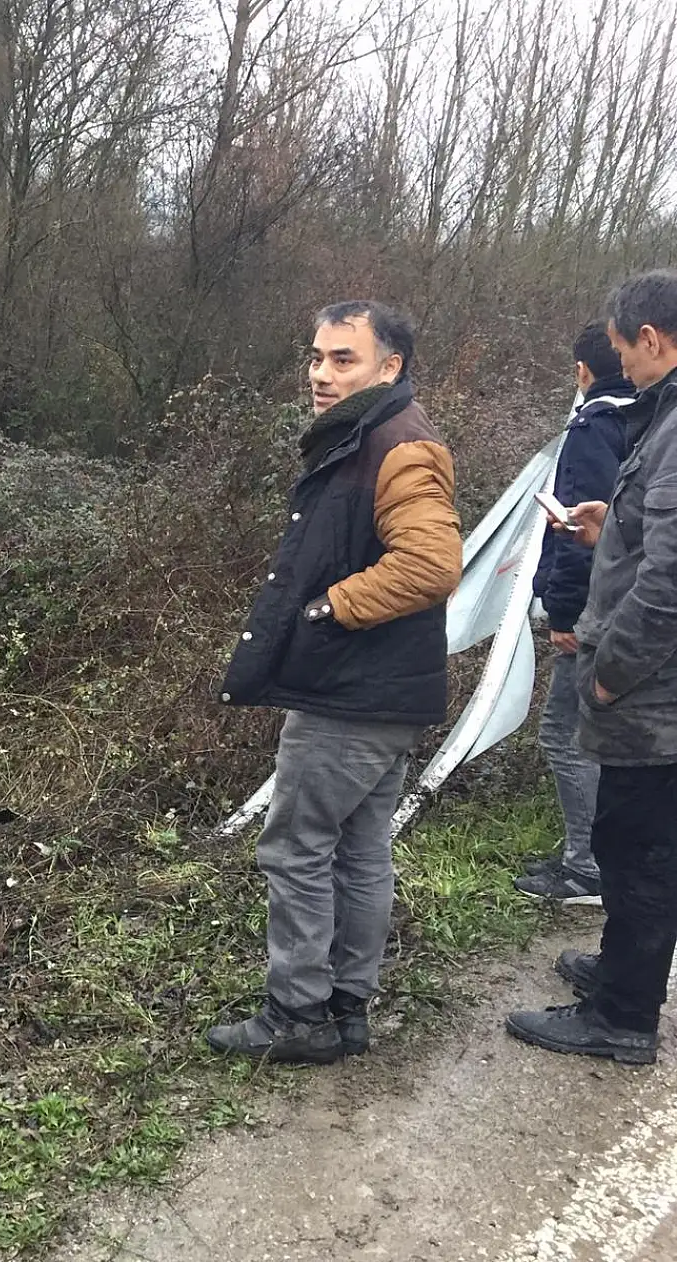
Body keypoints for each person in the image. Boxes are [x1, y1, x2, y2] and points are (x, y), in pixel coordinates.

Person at [209, 301, 462, 1065]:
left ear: (390, 368)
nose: (321, 374)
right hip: (380, 693)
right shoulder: (366, 436)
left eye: (342, 359)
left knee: (294, 849)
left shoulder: (399, 446)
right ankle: (345, 1010)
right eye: (316, 357)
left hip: (354, 696)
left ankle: (297, 1012)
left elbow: (432, 564)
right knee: (357, 850)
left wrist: (330, 609)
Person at [507, 270, 677, 1065]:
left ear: (651, 338)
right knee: (626, 839)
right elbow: (653, 537)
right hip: (652, 686)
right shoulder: (663, 416)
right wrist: (608, 526)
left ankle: (621, 1018)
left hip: (654, 692)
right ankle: (618, 971)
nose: (622, 369)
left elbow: (670, 583)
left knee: (639, 851)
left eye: (624, 352)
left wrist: (610, 673)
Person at [521, 323, 636, 905]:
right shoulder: (649, 417)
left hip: (594, 608)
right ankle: (599, 857)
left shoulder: (595, 425)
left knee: (564, 734)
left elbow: (575, 525)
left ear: (583, 371)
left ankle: (586, 866)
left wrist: (563, 612)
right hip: (631, 607)